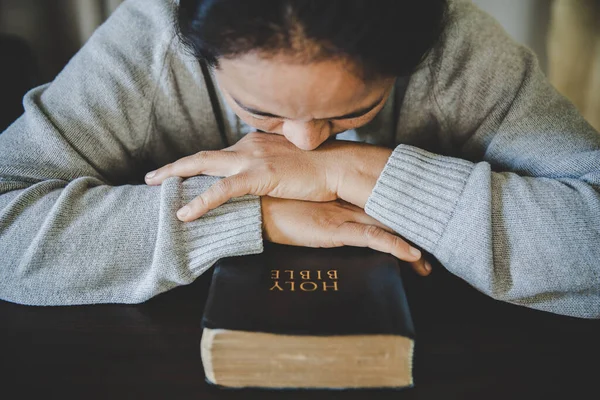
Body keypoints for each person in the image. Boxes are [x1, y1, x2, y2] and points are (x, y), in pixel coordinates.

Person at [0, 0, 598, 318]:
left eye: (350, 110)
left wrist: (348, 171)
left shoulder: (458, 47)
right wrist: (249, 212)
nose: (304, 142)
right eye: (258, 110)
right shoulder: (149, 44)